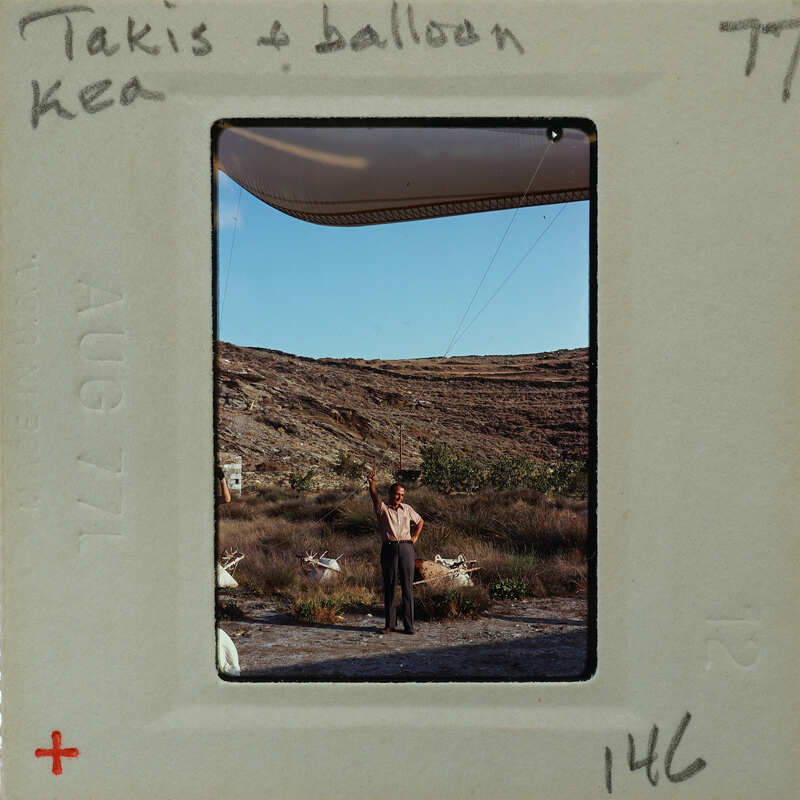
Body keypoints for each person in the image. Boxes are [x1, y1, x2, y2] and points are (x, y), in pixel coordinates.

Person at [367, 469, 423, 635]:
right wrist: (372, 484)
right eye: (398, 494)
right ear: (391, 494)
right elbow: (375, 498)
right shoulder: (383, 509)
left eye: (403, 495)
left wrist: (414, 537)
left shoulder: (407, 509)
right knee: (390, 586)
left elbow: (420, 521)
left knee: (407, 587)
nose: (400, 497)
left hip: (406, 547)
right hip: (389, 548)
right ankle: (390, 624)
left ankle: (409, 625)